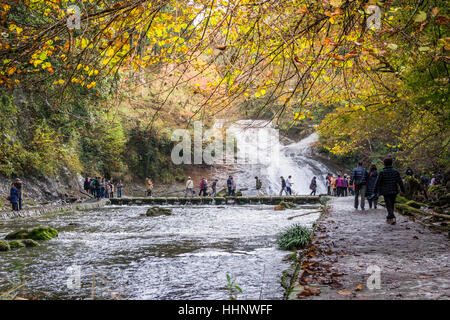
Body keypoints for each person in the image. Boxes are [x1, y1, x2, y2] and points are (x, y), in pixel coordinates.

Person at [375, 157, 405, 225]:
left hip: (386, 191)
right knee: (391, 204)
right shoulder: (396, 171)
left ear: (384, 164)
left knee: (388, 205)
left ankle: (392, 217)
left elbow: (378, 182)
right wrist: (403, 189)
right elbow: (400, 181)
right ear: (391, 163)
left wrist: (375, 190)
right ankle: (389, 217)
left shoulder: (382, 172)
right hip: (394, 190)